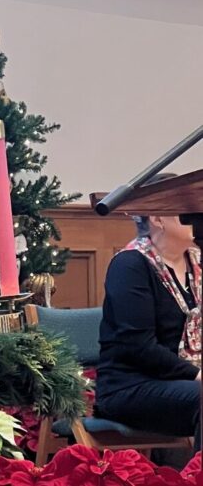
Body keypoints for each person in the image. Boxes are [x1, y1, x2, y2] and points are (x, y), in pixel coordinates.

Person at [96, 173, 201, 451]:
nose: (197, 215)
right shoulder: (130, 265)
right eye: (188, 209)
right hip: (131, 386)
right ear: (157, 217)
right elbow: (138, 346)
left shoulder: (198, 263)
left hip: (183, 383)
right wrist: (196, 374)